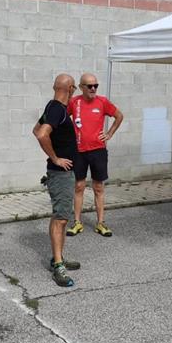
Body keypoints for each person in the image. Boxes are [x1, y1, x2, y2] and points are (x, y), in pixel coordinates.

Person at [33, 74, 80, 287]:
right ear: (70, 88)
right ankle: (58, 266)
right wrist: (55, 158)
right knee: (61, 219)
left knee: (60, 216)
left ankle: (57, 257)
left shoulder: (52, 107)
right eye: (75, 88)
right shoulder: (59, 110)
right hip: (60, 174)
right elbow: (42, 134)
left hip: (61, 174)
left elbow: (36, 129)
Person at [67, 72, 123, 237]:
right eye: (89, 86)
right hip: (79, 151)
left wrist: (109, 133)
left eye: (95, 86)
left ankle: (100, 223)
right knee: (79, 186)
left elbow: (119, 116)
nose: (93, 89)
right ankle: (77, 222)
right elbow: (62, 118)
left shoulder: (102, 102)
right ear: (81, 87)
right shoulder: (74, 102)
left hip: (98, 151)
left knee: (98, 187)